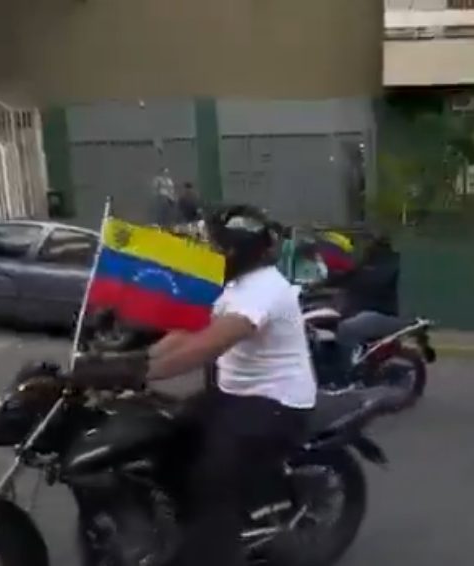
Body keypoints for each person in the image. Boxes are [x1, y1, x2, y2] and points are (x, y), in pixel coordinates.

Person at [77, 205, 316, 566]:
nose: (217, 251)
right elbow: (186, 334)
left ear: (243, 250)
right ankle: (171, 522)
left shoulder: (266, 288)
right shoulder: (230, 285)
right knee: (166, 440)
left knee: (212, 479)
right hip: (231, 395)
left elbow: (208, 344)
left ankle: (210, 551)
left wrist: (137, 372)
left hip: (274, 403)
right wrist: (128, 363)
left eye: (223, 247)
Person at [315, 232, 403, 387]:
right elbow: (346, 277)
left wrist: (354, 278)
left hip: (381, 314)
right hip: (359, 311)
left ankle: (343, 375)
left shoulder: (390, 264)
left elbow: (373, 280)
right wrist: (316, 286)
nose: (364, 247)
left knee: (347, 328)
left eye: (368, 243)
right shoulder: (366, 263)